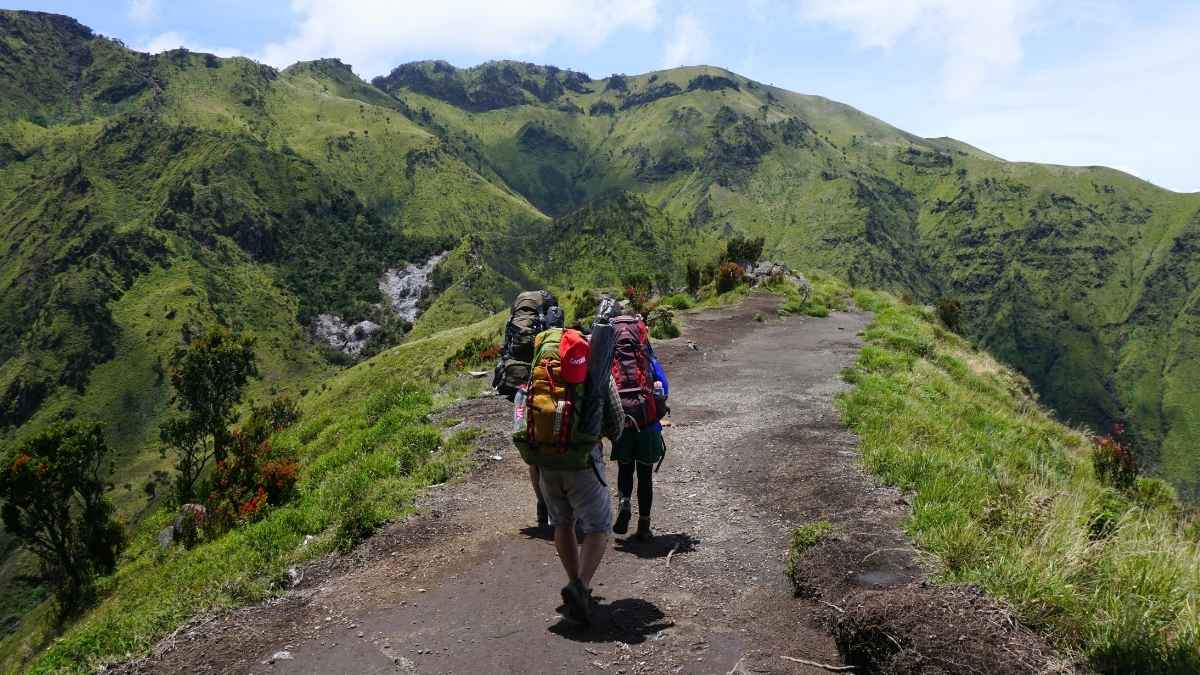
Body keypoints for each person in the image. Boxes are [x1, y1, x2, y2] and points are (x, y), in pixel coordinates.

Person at [610, 315, 669, 541]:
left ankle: (624, 502)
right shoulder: (647, 358)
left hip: (623, 422)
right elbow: (664, 386)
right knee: (645, 476)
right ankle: (643, 526)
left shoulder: (614, 359)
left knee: (625, 468)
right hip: (647, 424)